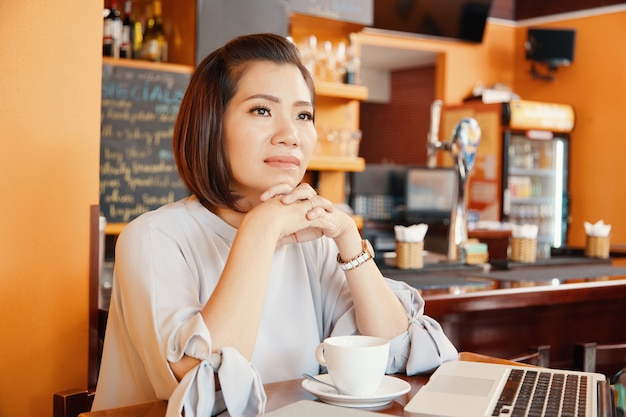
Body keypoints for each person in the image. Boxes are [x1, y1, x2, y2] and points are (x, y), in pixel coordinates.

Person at [92, 33, 458, 417]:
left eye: (303, 115)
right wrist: (260, 229)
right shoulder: (154, 238)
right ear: (211, 125)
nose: (290, 135)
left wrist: (349, 240)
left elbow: (393, 351)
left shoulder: (312, 242)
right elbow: (204, 383)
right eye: (262, 110)